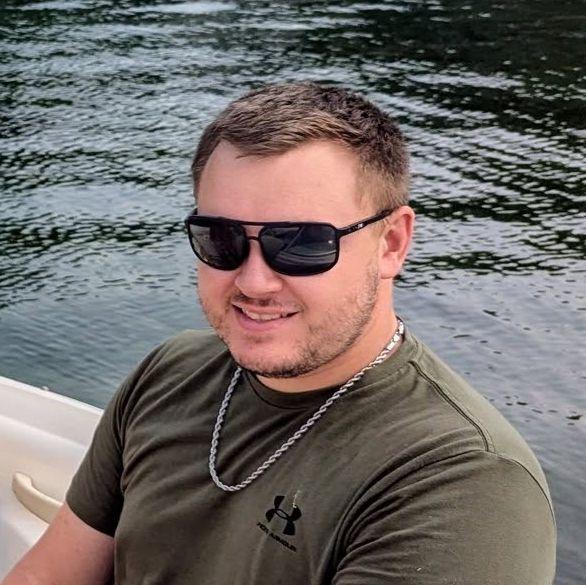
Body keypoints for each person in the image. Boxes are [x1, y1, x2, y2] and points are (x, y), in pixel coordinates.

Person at [3, 83, 556, 585]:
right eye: (220, 239)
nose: (254, 281)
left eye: (301, 243)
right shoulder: (169, 375)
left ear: (391, 244)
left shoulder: (463, 483)